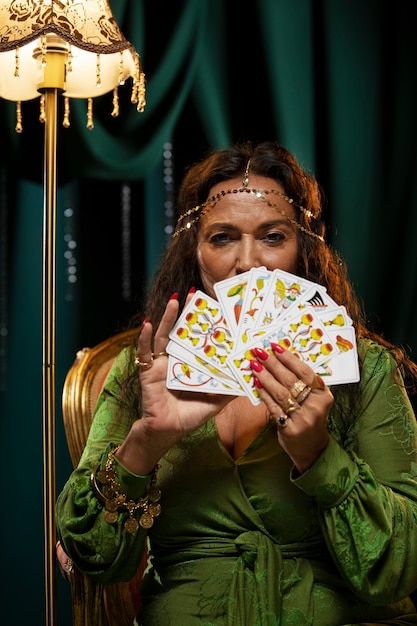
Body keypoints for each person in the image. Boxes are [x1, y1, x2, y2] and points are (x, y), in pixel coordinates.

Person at [56, 141, 417, 625]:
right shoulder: (143, 370)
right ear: (195, 249)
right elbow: (92, 556)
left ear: (304, 249)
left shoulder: (365, 368)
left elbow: (401, 567)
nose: (248, 262)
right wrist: (146, 443)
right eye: (223, 237)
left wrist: (318, 454)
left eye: (272, 236)